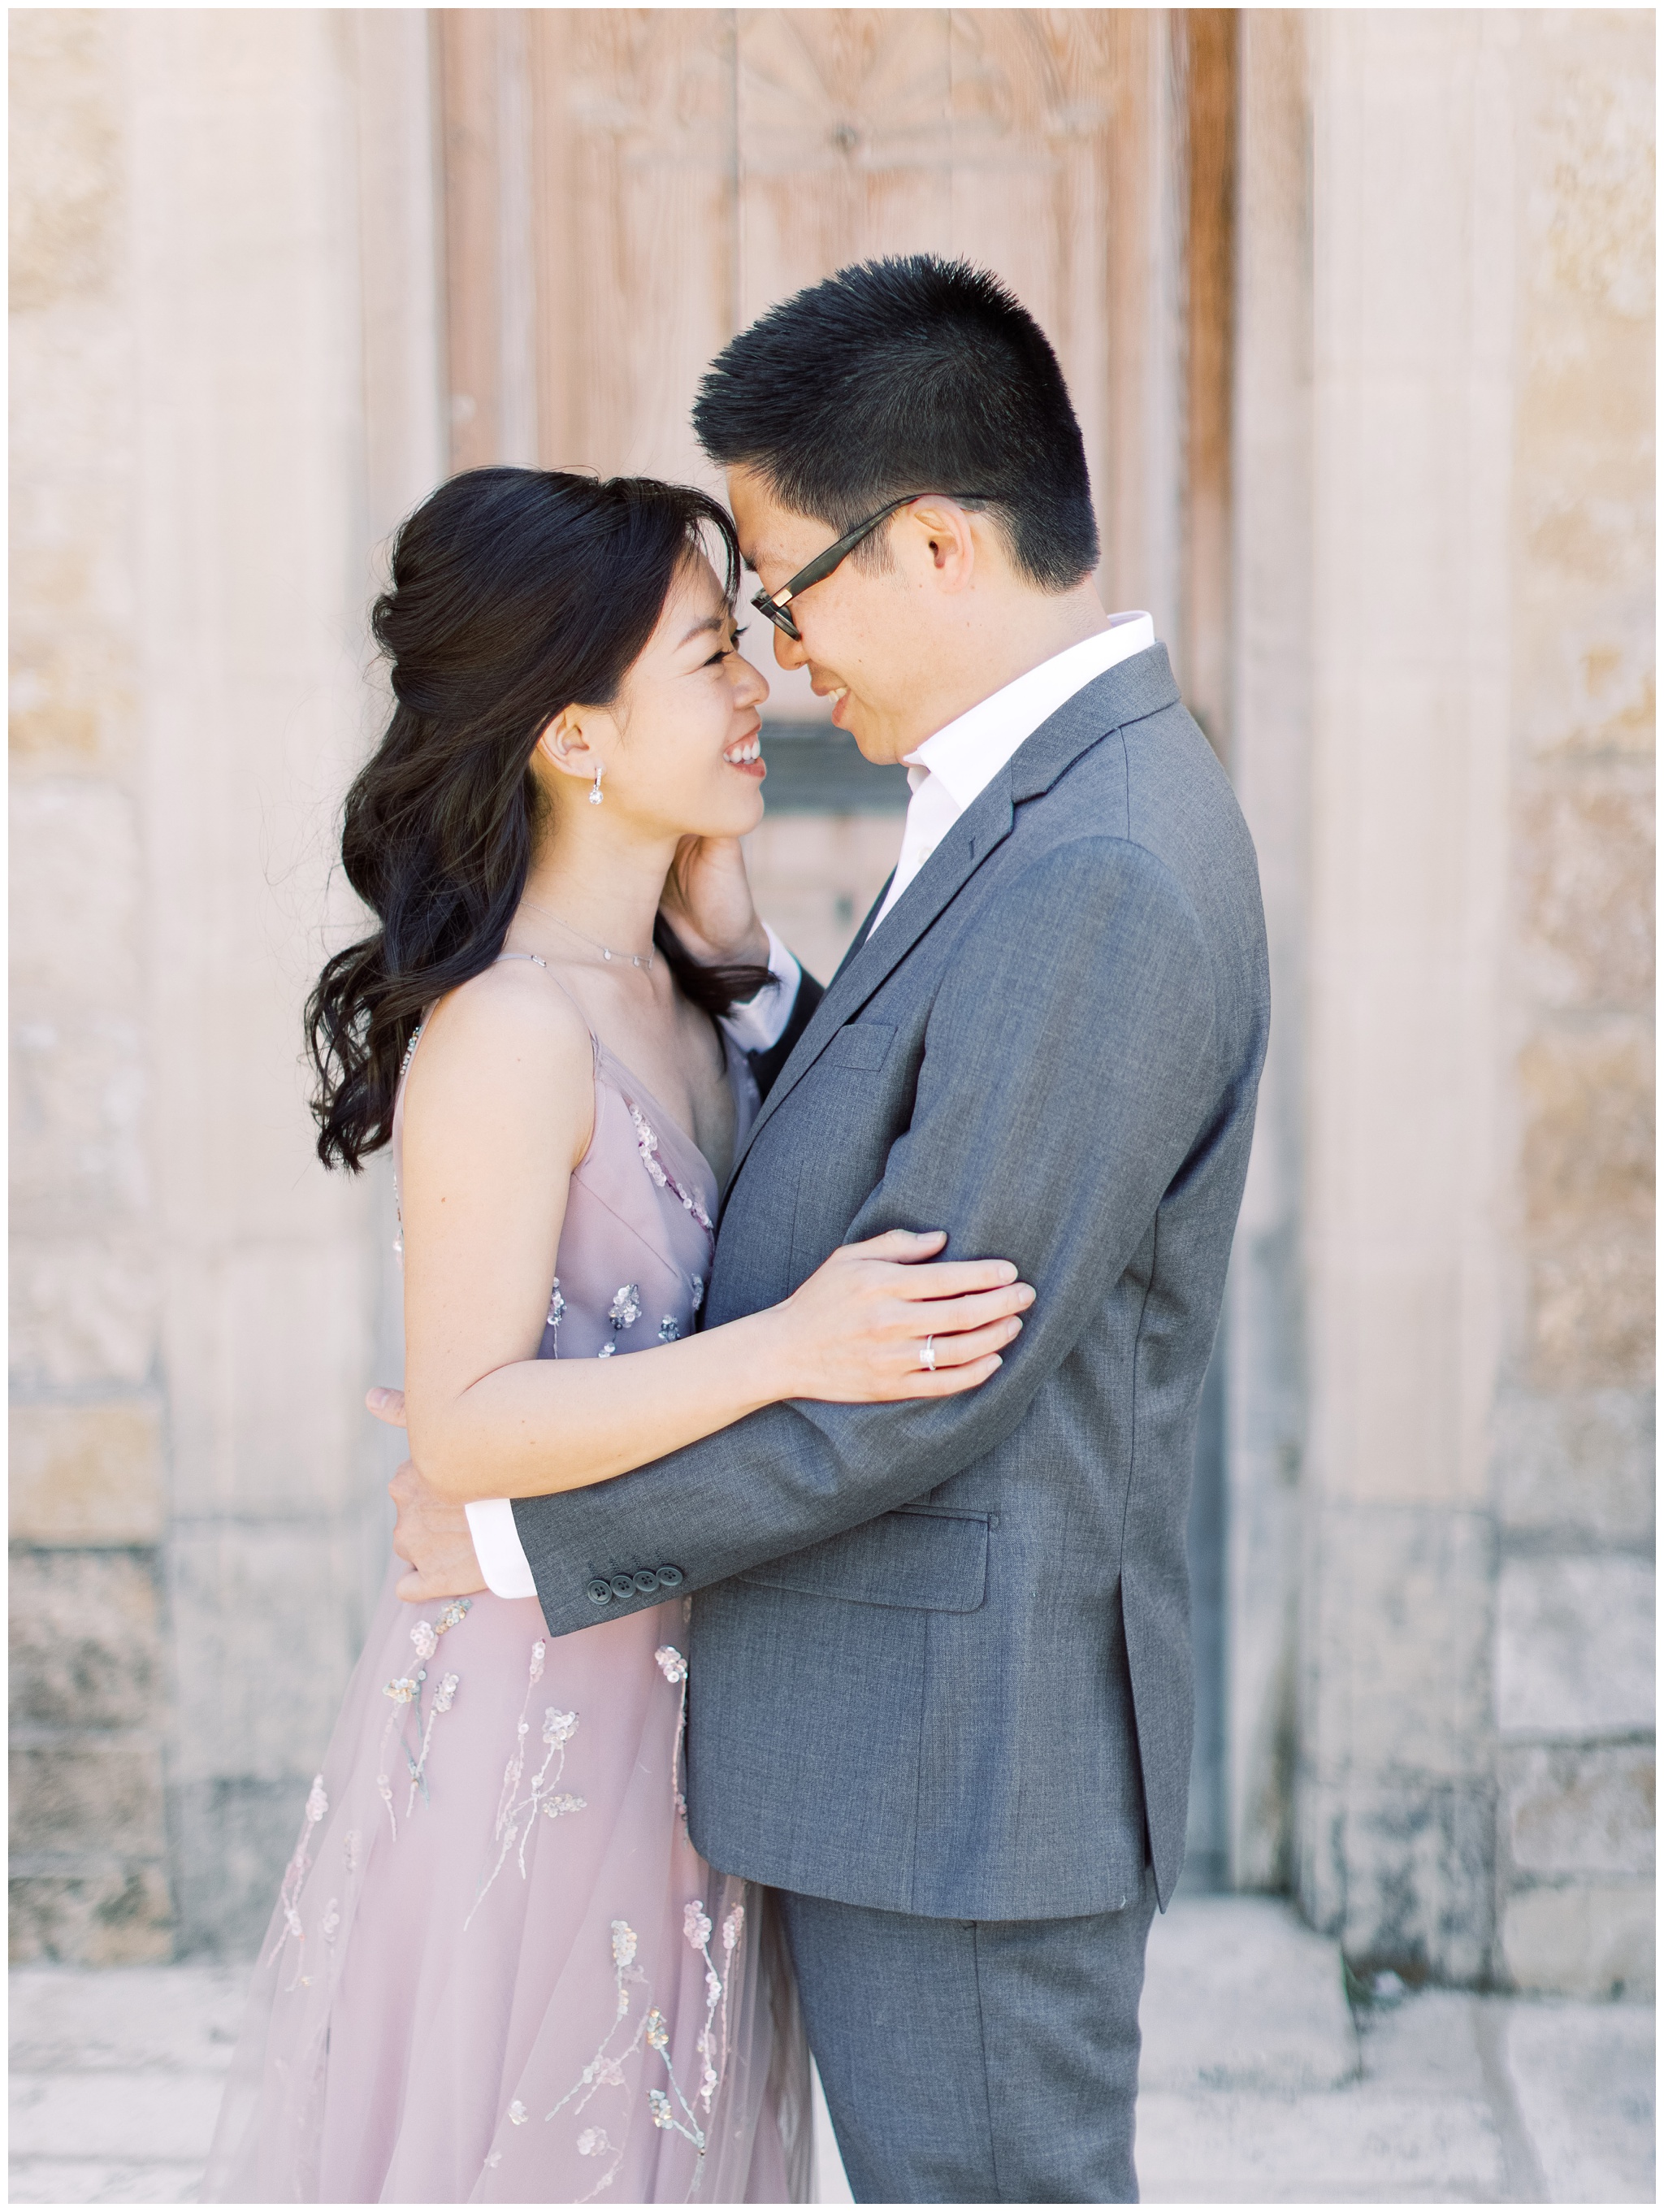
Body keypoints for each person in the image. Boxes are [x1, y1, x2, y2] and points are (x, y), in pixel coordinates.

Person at [389, 256, 1272, 2205]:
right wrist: (757, 988)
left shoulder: (1101, 862)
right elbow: (899, 1161)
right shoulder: (1035, 800)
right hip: (902, 1748)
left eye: (784, 592)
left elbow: (916, 1376)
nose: (783, 659)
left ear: (936, 543)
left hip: (964, 1764)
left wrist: (521, 1538)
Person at [202, 466, 1033, 2203]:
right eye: (707, 654)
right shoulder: (510, 1032)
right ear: (574, 736)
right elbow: (466, 1427)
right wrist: (794, 1348)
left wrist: (740, 941)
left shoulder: (684, 976)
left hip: (694, 1711)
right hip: (543, 1722)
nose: (760, 684)